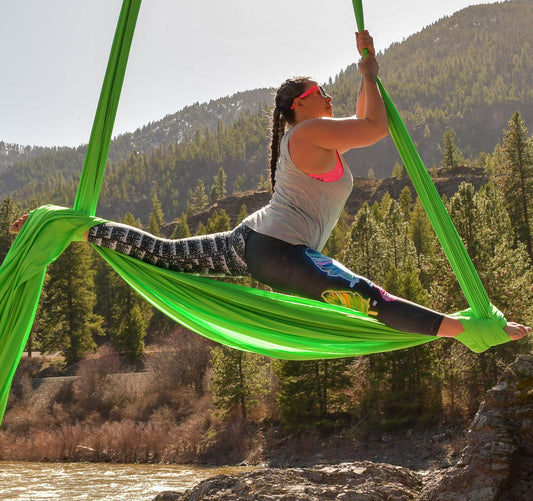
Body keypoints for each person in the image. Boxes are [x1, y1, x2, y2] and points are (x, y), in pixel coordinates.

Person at [9, 31, 530, 343]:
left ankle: (71, 228)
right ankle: (474, 332)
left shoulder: (315, 140)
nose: (329, 96)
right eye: (320, 92)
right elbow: (374, 127)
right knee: (371, 300)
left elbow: (370, 121)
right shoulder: (306, 134)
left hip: (251, 242)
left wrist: (372, 67)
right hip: (276, 249)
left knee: (163, 253)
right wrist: (369, 72)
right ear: (298, 106)